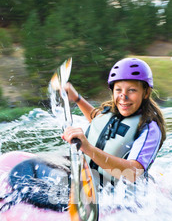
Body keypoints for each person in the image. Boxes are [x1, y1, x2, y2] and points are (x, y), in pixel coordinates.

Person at [62, 57, 166, 188]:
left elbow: (132, 173)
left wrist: (87, 148)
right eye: (118, 90)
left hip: (119, 197)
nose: (124, 96)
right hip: (89, 180)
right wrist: (76, 98)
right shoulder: (112, 113)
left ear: (146, 92)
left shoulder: (150, 129)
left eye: (132, 90)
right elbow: (97, 121)